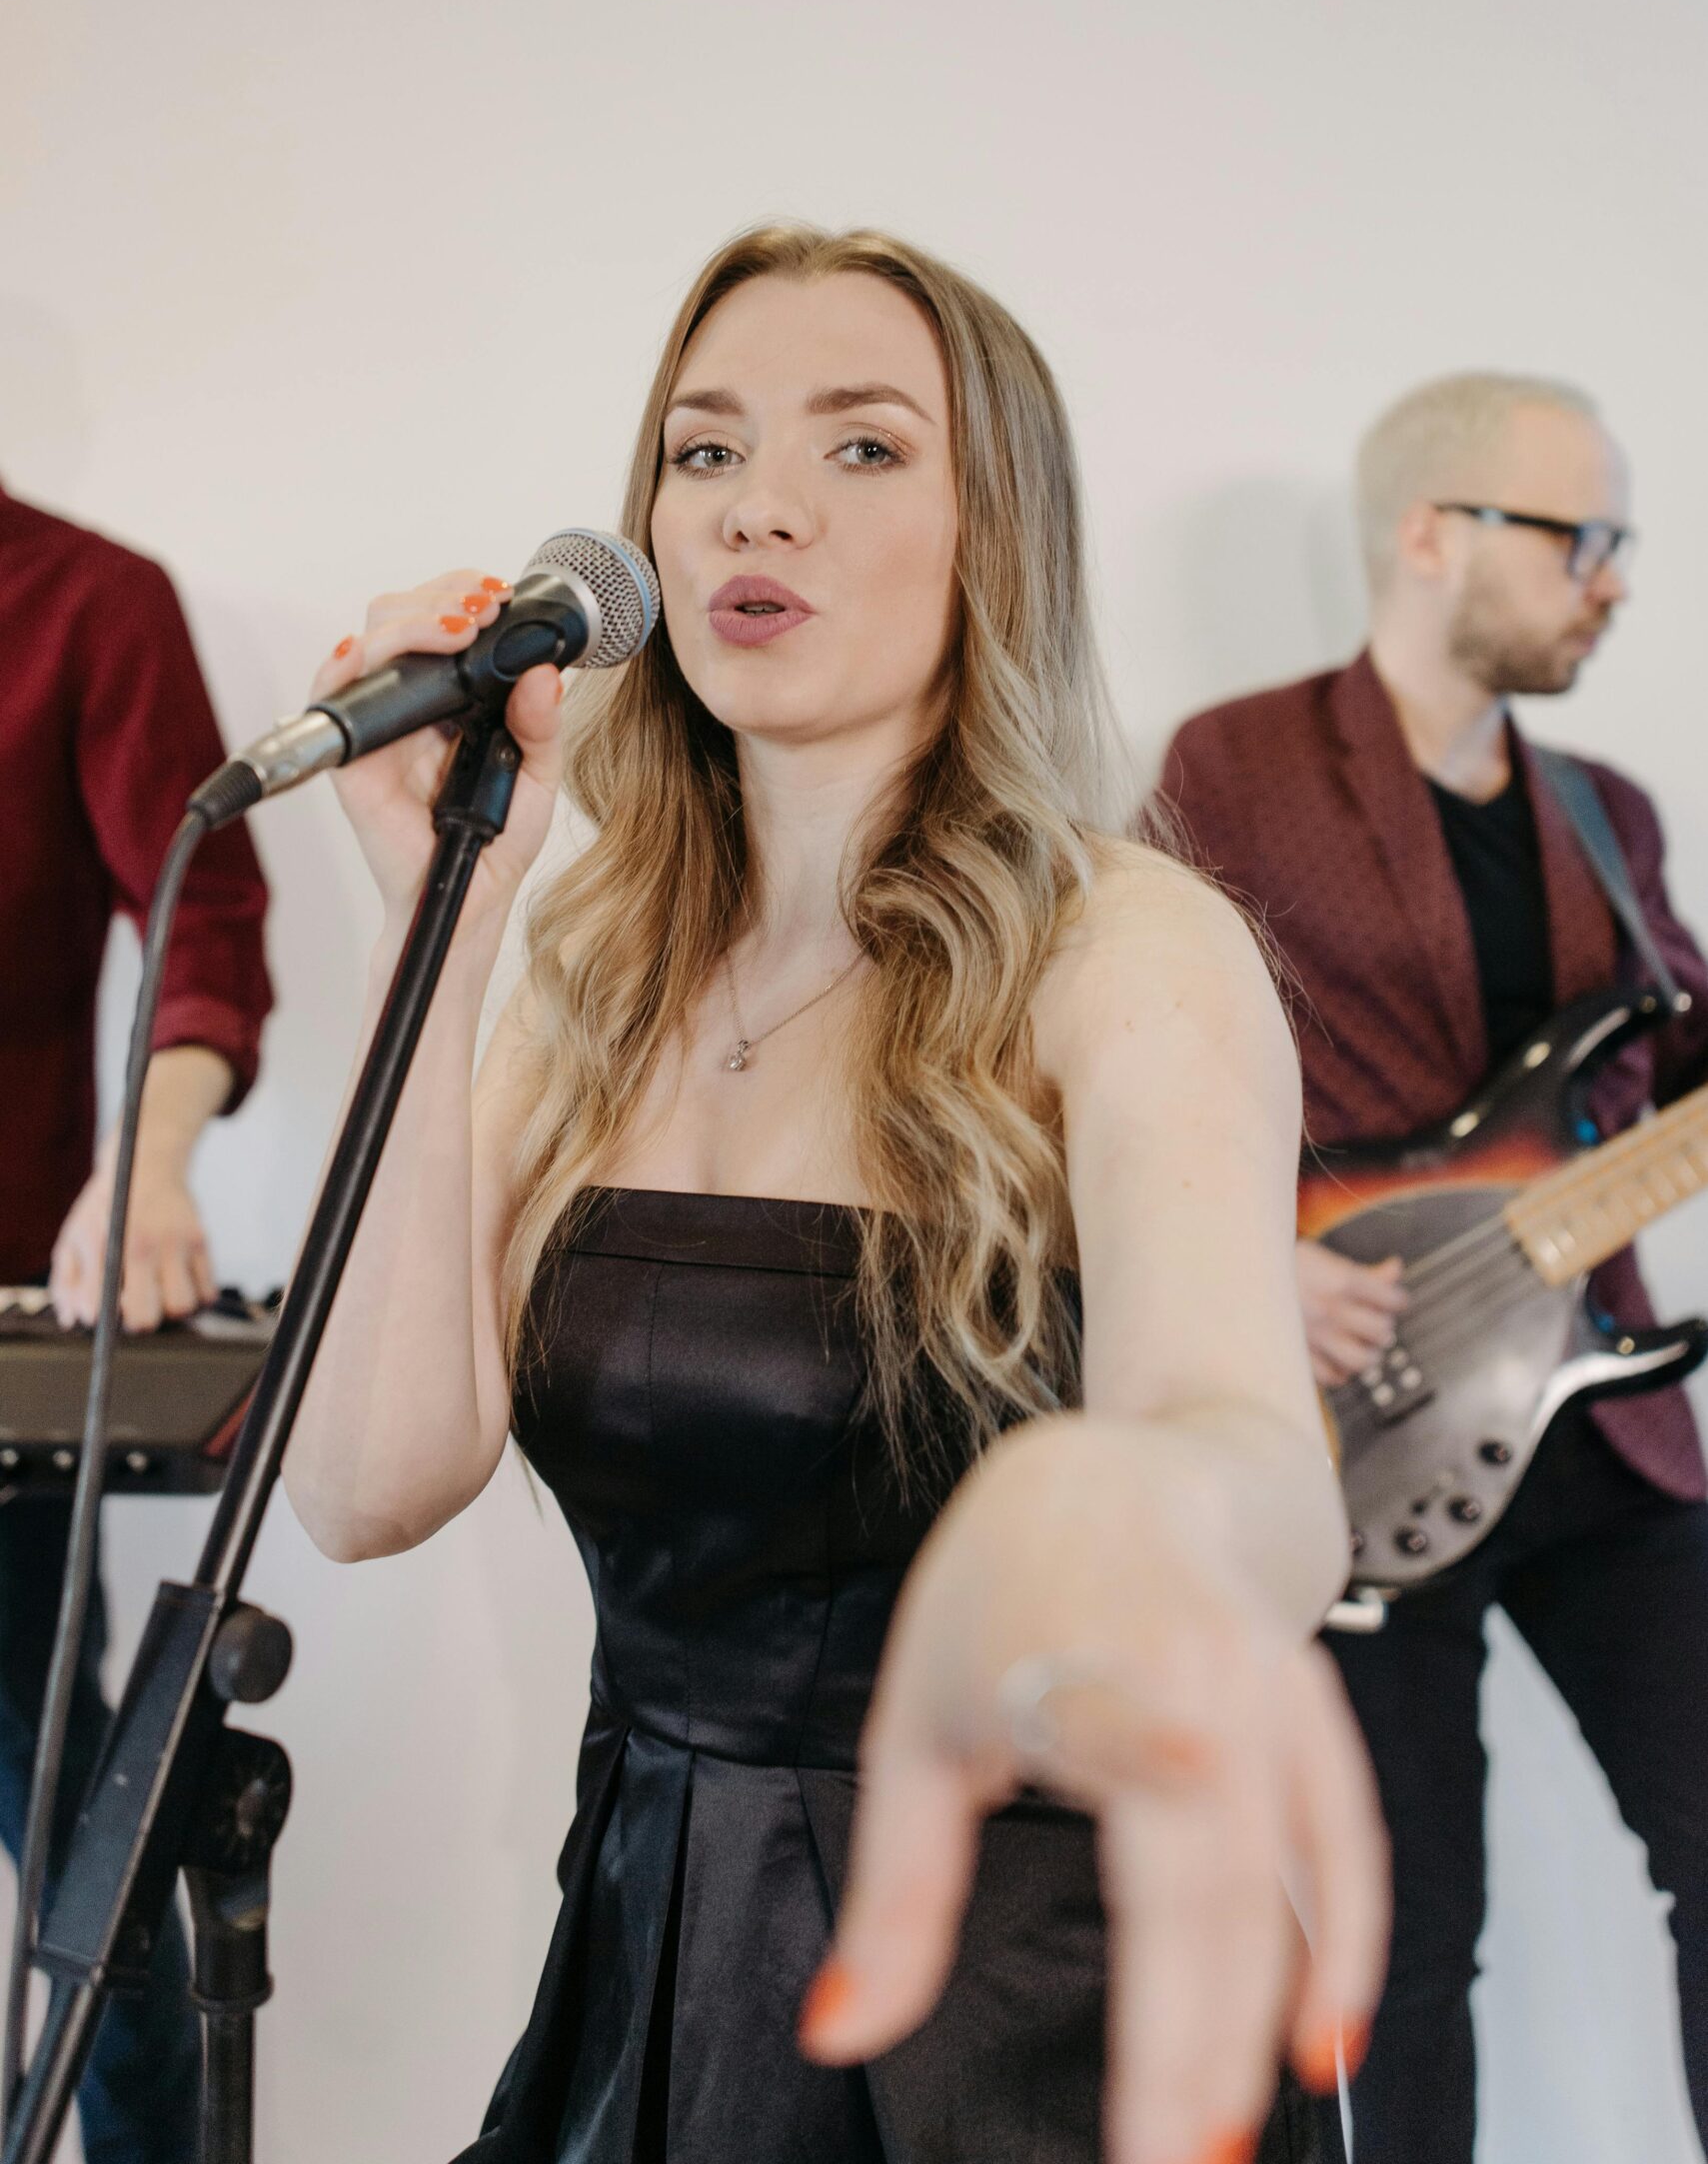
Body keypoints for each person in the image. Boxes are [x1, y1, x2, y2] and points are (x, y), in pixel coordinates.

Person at [282, 224, 1385, 2164]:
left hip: (1030, 2012)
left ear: (997, 535)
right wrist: (435, 907)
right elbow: (365, 1479)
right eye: (701, 452)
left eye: (861, 447)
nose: (755, 504)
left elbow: (1245, 1441)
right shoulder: (589, 978)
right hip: (655, 1961)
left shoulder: (1128, 950)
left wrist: (1141, 1505)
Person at [1158, 372, 1708, 2163]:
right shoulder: (1231, 765)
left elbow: (1665, 1060)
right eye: (1584, 539)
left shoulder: (1611, 821)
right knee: (1400, 1944)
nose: (1614, 579)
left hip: (1598, 1431)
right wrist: (1249, 1265)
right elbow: (1128, 1066)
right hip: (1355, 1428)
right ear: (1429, 534)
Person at [0, 478, 272, 2162]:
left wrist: (144, 1167)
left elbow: (209, 939)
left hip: (14, 1341)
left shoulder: (91, 602)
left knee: (77, 1853)